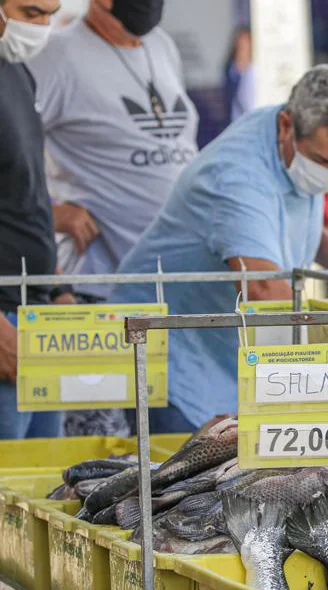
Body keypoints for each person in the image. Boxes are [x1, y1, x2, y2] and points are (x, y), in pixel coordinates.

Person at [111, 65, 328, 433]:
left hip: (225, 351)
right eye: (323, 161)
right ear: (287, 125)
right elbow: (264, 290)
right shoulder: (238, 175)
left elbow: (288, 214)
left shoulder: (288, 142)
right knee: (184, 484)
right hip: (171, 356)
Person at [27, 0, 199, 437]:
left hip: (172, 294)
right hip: (99, 293)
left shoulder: (160, 45)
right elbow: (11, 153)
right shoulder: (54, 53)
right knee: (101, 457)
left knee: (167, 453)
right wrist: (50, 211)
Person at [0, 0, 70, 439]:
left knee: (45, 485)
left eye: (50, 13)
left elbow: (27, 191)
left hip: (37, 314)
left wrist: (58, 287)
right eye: (31, 13)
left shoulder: (17, 70)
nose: (43, 26)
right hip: (4, 318)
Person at [224, 26, 255, 123]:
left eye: (246, 42)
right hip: (239, 119)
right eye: (240, 43)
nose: (243, 46)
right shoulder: (231, 67)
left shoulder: (257, 67)